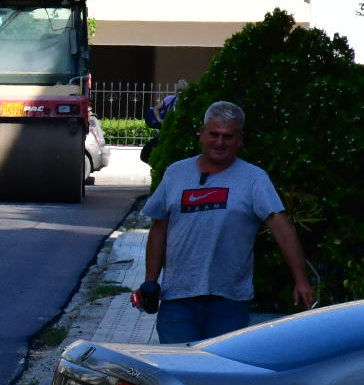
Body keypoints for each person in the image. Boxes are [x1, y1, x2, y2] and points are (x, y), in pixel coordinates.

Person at [134, 100, 314, 343]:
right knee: (180, 369)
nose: (219, 142)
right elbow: (159, 229)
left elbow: (281, 227)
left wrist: (301, 280)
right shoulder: (176, 173)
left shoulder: (254, 179)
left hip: (229, 301)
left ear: (240, 139)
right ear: (201, 135)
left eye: (228, 137)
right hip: (178, 298)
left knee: (218, 374)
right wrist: (150, 281)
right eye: (214, 134)